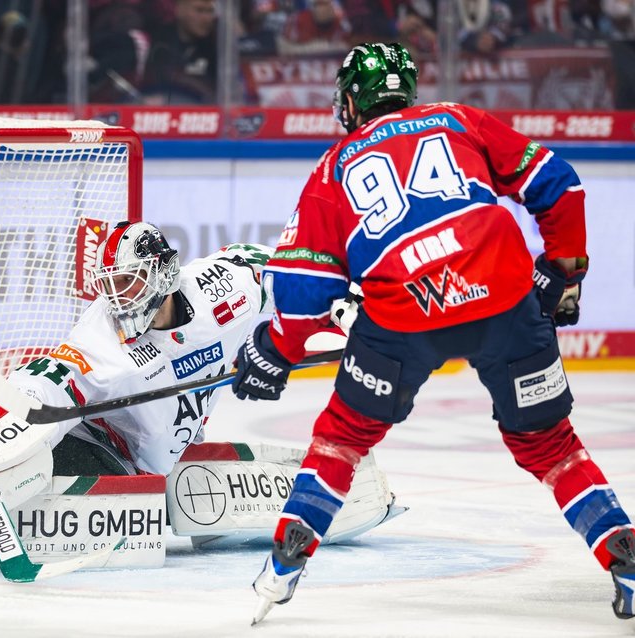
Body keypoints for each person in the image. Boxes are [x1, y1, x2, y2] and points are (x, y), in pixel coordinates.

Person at [232, 41, 635, 624]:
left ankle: (283, 569)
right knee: (550, 444)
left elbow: (302, 294)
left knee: (342, 439)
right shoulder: (456, 118)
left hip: (402, 317)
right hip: (504, 297)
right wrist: (564, 271)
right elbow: (560, 182)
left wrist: (273, 350)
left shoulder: (333, 167)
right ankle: (623, 555)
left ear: (350, 101)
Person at [0, 221, 400, 571]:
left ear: (161, 274)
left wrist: (358, 313)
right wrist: (16, 421)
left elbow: (295, 272)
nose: (116, 297)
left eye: (127, 283)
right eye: (108, 284)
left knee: (185, 504)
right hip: (106, 448)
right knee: (35, 468)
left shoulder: (223, 287)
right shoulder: (102, 334)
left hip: (168, 460)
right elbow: (56, 378)